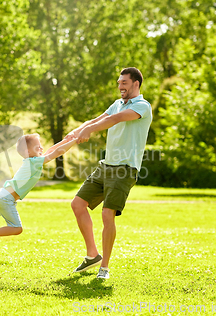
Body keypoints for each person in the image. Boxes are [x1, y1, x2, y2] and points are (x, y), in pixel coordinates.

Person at [65, 67, 152, 279]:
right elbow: (98, 119)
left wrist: (89, 131)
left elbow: (115, 119)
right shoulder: (116, 104)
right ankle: (92, 255)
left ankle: (104, 267)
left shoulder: (142, 106)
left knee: (107, 214)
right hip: (106, 165)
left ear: (136, 84)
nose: (120, 86)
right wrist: (78, 130)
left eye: (124, 82)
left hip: (125, 168)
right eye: (119, 82)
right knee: (77, 204)